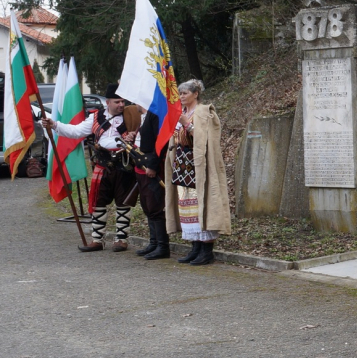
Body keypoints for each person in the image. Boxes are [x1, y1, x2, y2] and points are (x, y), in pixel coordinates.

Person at [41, 83, 137, 252]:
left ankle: (121, 239)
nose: (121, 105)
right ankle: (97, 240)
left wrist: (134, 137)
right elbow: (75, 131)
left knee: (123, 203)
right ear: (107, 102)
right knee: (99, 203)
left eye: (122, 101)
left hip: (124, 165)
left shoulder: (131, 116)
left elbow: (142, 138)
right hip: (102, 165)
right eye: (117, 102)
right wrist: (54, 125)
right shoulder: (95, 118)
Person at [164, 79, 230, 266]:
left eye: (185, 93)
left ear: (196, 94)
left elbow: (207, 139)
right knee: (187, 207)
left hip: (199, 163)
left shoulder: (204, 112)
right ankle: (195, 247)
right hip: (183, 163)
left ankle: (206, 251)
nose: (182, 96)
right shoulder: (181, 113)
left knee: (202, 203)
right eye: (180, 93)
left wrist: (187, 124)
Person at [133, 107, 169, 260]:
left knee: (155, 206)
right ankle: (153, 243)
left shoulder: (155, 115)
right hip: (141, 166)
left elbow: (161, 142)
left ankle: (162, 246)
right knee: (147, 206)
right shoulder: (144, 116)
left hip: (151, 166)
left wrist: (153, 165)